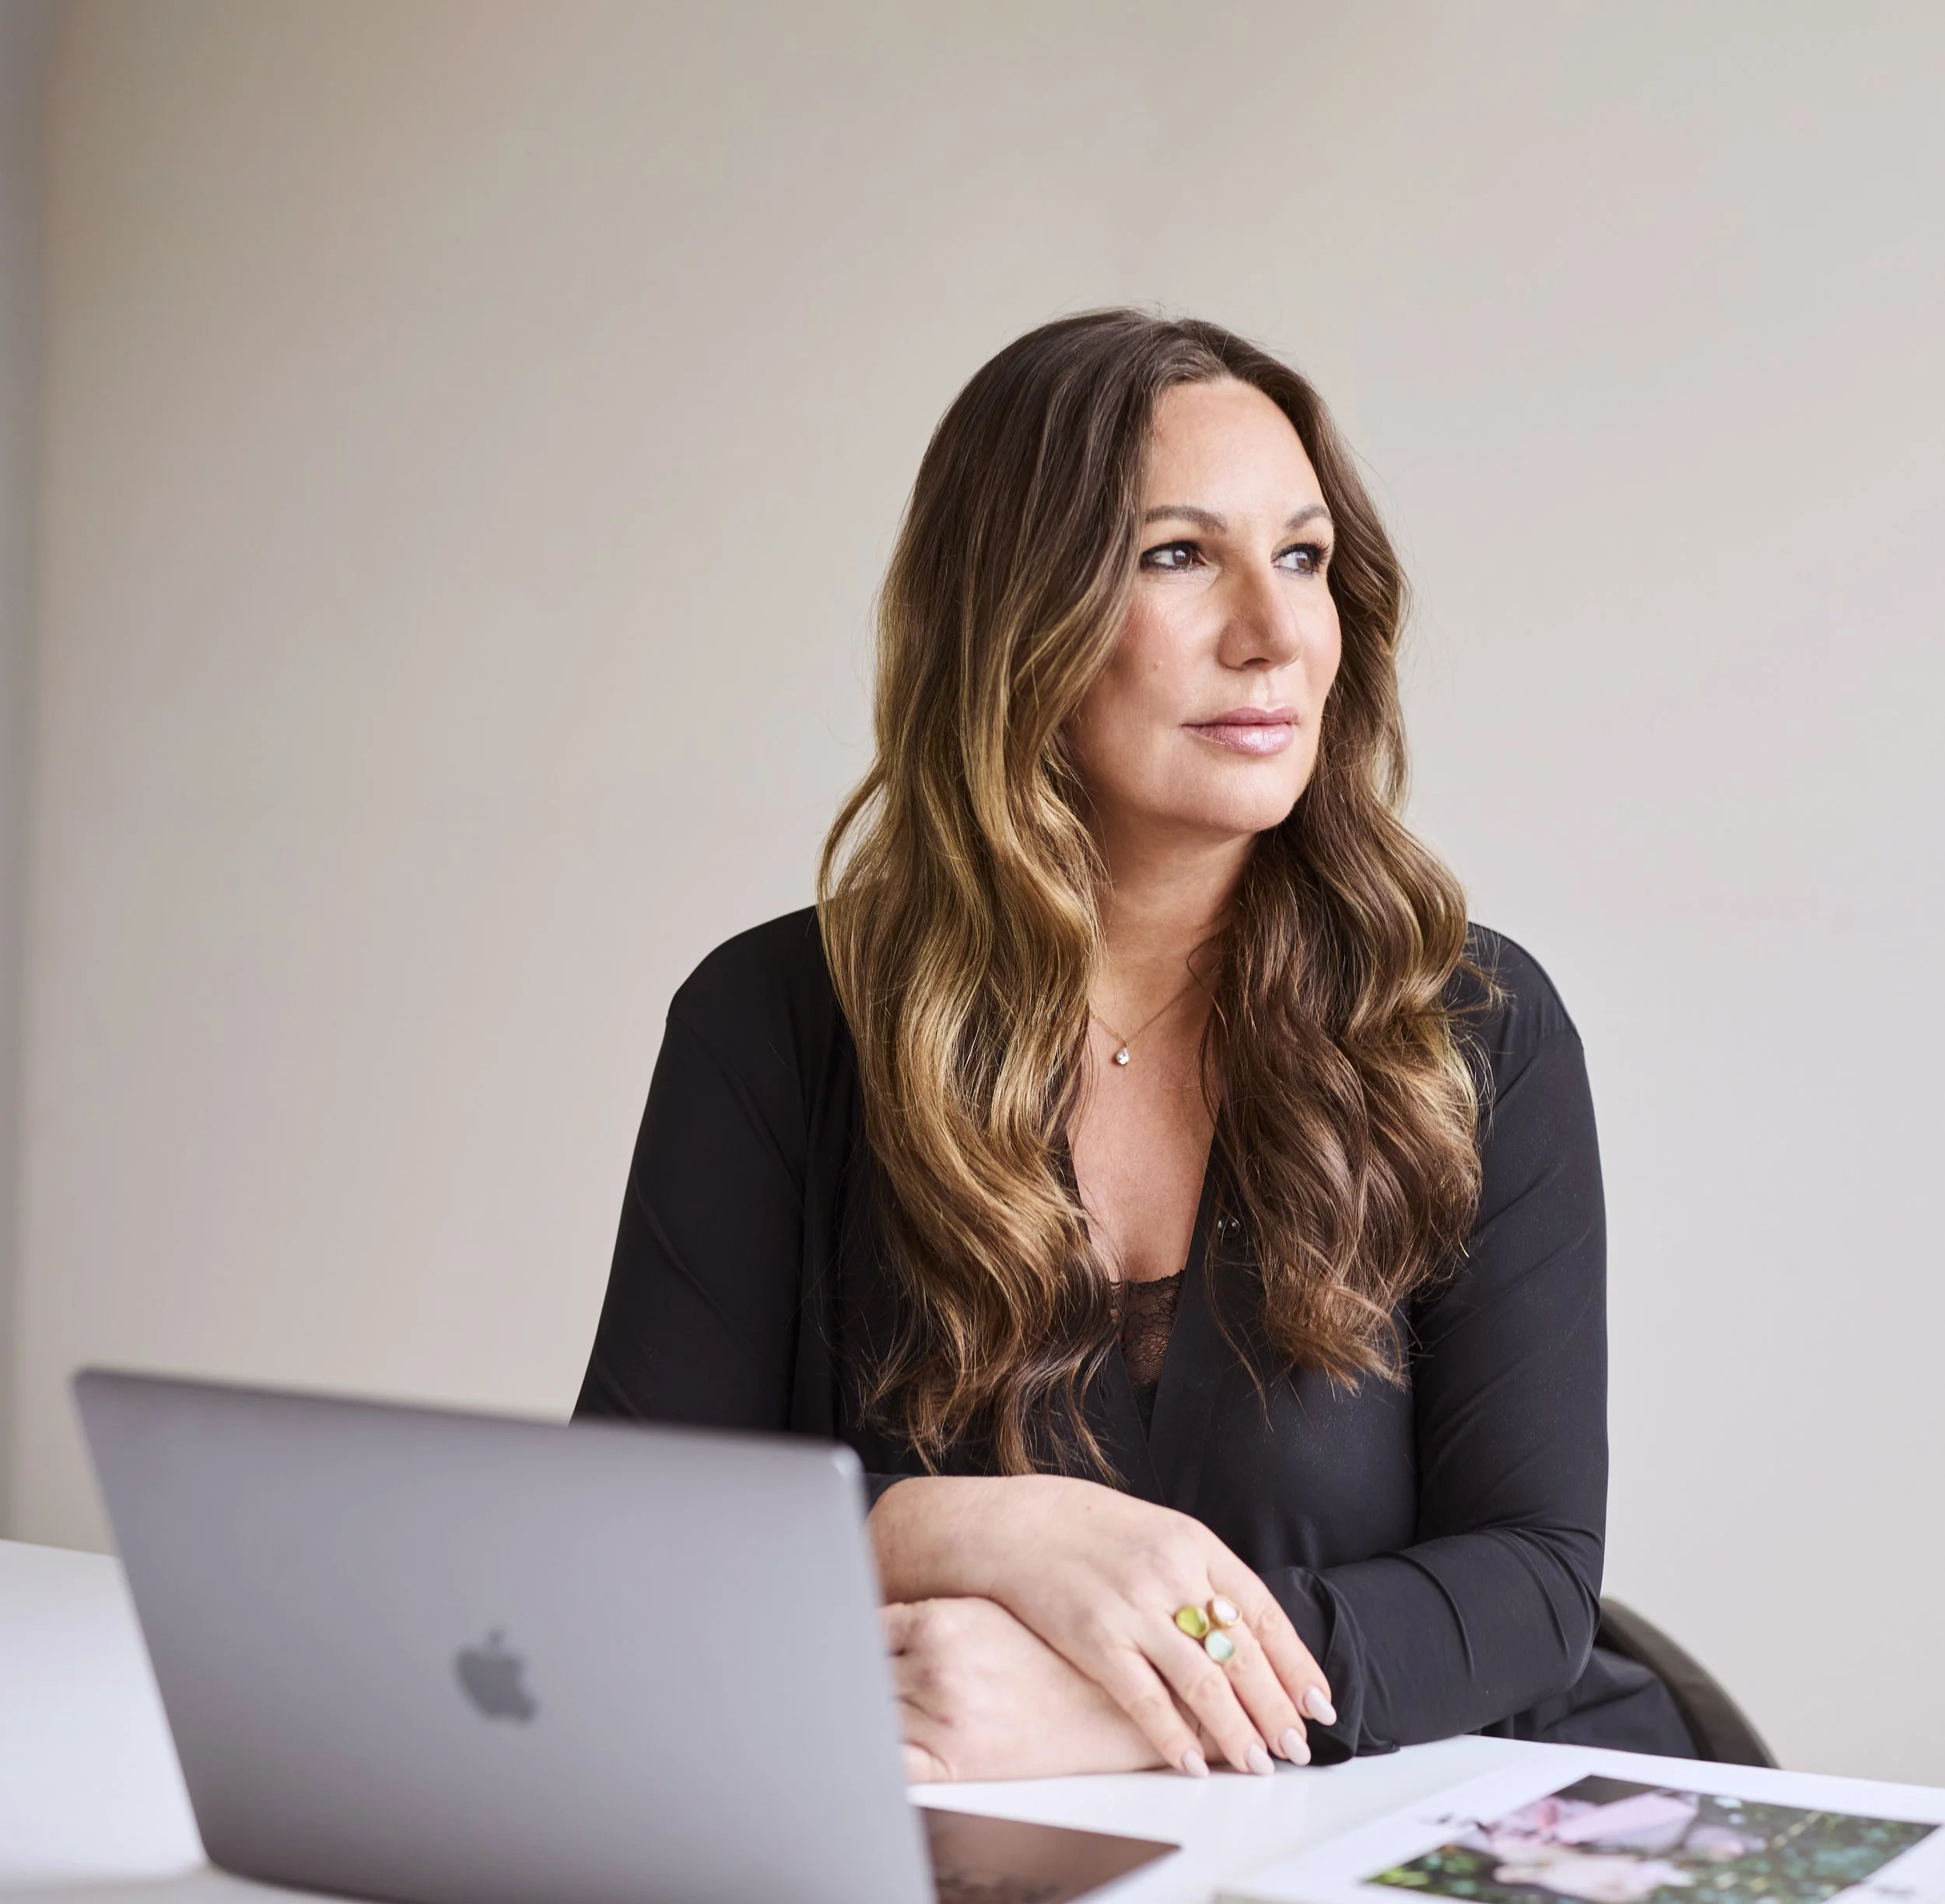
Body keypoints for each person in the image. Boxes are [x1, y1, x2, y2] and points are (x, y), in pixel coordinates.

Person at [575, 310, 1695, 1780]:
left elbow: (1532, 1583)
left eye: (1303, 555)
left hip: (1420, 1825)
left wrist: (1120, 1710)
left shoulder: (1470, 1025)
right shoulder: (777, 1022)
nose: (1274, 632)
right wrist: (940, 1526)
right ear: (1017, 614)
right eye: (1179, 555)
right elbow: (623, 1549)